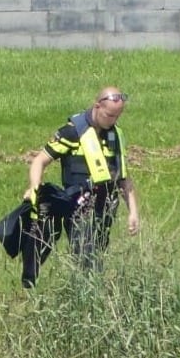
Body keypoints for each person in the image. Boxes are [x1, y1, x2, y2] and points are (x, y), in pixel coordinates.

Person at [17, 86, 140, 287]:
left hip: (105, 208)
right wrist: (34, 187)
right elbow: (39, 161)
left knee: (96, 253)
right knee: (86, 256)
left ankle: (90, 297)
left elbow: (123, 178)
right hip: (78, 208)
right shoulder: (71, 133)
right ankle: (87, 298)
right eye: (110, 115)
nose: (113, 120)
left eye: (118, 116)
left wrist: (133, 211)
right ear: (97, 106)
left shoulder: (115, 136)